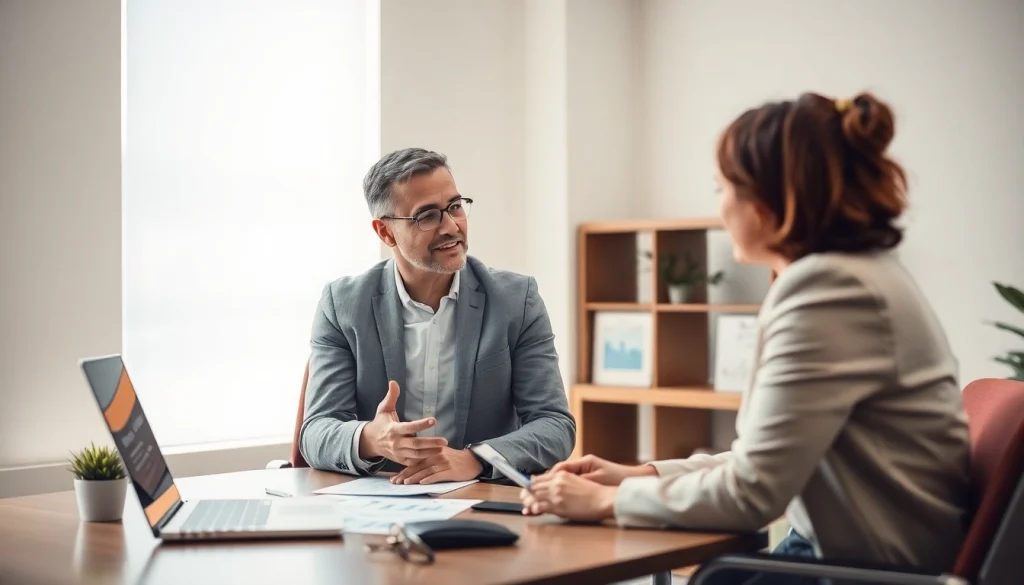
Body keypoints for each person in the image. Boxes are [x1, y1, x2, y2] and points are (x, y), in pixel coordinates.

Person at [520, 92, 972, 582]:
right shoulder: (858, 275)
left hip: (863, 570)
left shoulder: (828, 291)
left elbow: (753, 493)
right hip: (847, 554)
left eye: (723, 187)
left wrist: (609, 500)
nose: (720, 207)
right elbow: (762, 459)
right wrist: (640, 475)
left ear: (766, 200)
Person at [299, 147, 575, 485]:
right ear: (386, 232)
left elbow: (555, 425)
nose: (451, 226)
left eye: (455, 207)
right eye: (427, 216)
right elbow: (315, 432)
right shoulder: (342, 305)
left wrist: (475, 459)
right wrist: (373, 438)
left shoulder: (517, 300)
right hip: (379, 499)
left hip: (479, 497)